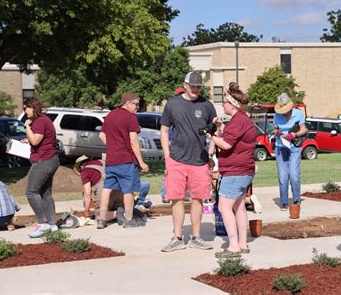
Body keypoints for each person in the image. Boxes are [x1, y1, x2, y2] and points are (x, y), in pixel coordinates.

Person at [160, 71, 216, 252]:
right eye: (193, 85)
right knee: (176, 198)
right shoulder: (172, 104)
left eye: (199, 86)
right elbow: (164, 130)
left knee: (198, 198)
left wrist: (211, 153)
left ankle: (196, 237)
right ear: (185, 85)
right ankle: (177, 237)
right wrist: (167, 156)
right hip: (176, 159)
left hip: (199, 160)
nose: (196, 89)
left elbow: (214, 132)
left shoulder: (207, 105)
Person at [207, 82, 256, 257]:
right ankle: (242, 243)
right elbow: (231, 138)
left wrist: (210, 134)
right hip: (244, 171)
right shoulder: (241, 120)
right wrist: (220, 129)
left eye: (225, 102)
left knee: (224, 207)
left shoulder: (238, 121)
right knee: (239, 207)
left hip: (236, 172)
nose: (222, 105)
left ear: (233, 105)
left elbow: (226, 145)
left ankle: (233, 245)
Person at [98, 92, 149, 229]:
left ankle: (101, 219)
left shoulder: (110, 115)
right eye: (136, 104)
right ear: (128, 103)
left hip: (111, 160)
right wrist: (141, 162)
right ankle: (128, 219)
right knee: (129, 190)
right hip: (126, 160)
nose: (138, 107)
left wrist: (113, 146)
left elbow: (101, 135)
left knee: (107, 188)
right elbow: (133, 141)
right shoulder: (130, 117)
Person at [22, 97, 60, 238]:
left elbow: (36, 140)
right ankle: (52, 224)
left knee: (31, 192)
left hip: (43, 161)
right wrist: (28, 140)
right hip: (51, 159)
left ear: (33, 107)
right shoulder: (44, 120)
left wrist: (27, 127)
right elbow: (39, 141)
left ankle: (43, 224)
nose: (25, 111)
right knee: (45, 193)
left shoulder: (38, 122)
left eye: (26, 108)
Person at [73, 155, 151, 218]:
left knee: (100, 216)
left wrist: (86, 209)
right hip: (120, 190)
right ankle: (129, 211)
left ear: (80, 167)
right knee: (117, 205)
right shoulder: (104, 162)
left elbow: (87, 193)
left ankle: (119, 213)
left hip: (104, 191)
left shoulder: (85, 171)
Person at [273, 93, 308, 210]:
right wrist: (277, 132)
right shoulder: (276, 116)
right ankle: (283, 202)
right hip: (280, 146)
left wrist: (294, 134)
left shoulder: (298, 114)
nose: (284, 112)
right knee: (283, 176)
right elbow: (275, 129)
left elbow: (304, 129)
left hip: (294, 146)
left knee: (294, 175)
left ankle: (296, 199)